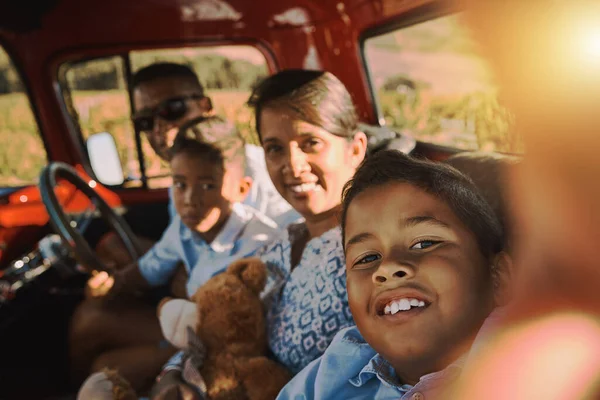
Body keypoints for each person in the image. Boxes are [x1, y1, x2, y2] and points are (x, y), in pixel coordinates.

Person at [149, 69, 368, 398]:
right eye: (275, 149)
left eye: (311, 143)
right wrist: (173, 374)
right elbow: (217, 326)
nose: (292, 166)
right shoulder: (284, 241)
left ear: (355, 150)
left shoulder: (371, 254)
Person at [277, 149, 512, 399]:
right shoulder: (331, 372)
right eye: (367, 258)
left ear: (499, 276)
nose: (386, 268)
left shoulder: (530, 369)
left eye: (424, 243)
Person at [70, 118, 283, 392]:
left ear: (242, 189)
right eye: (180, 185)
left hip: (218, 352)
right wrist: (111, 283)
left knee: (104, 369)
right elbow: (148, 270)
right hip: (183, 329)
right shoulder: (183, 229)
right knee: (92, 325)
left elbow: (252, 332)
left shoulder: (259, 244)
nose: (190, 199)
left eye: (207, 186)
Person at [97, 62, 299, 269]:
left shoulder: (248, 172)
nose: (159, 126)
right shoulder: (183, 174)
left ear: (205, 106)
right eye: (145, 120)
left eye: (172, 110)